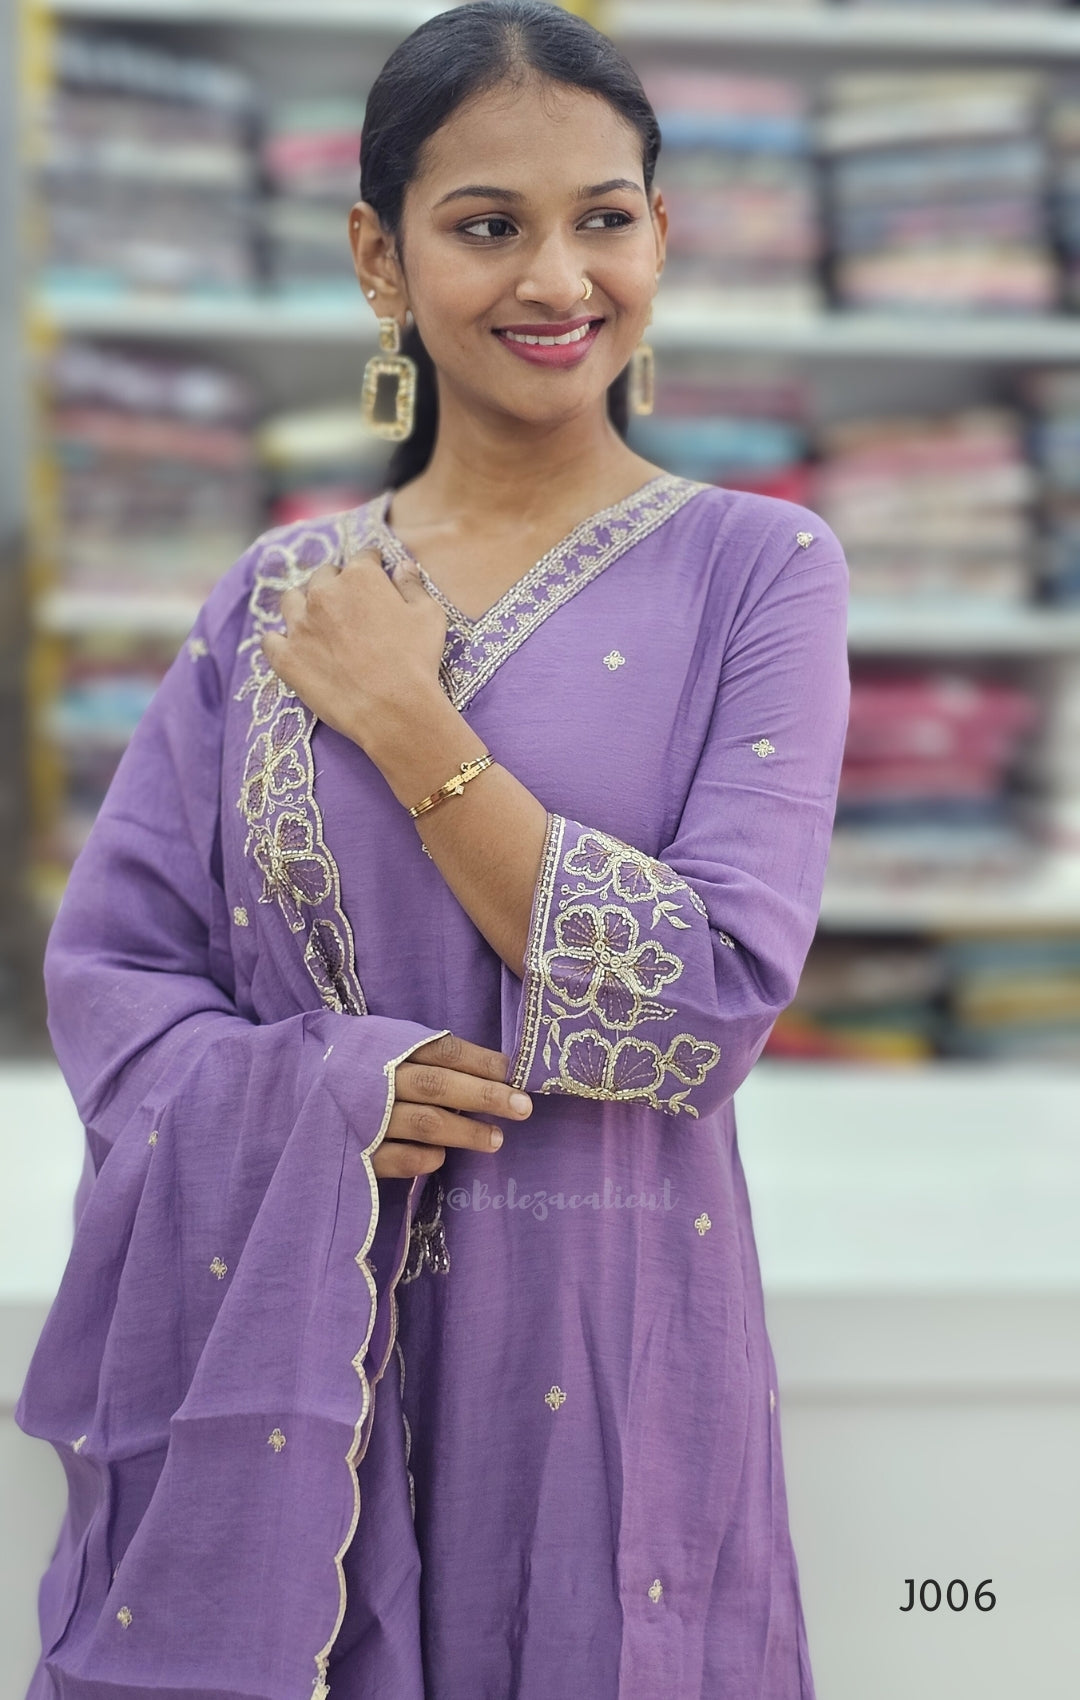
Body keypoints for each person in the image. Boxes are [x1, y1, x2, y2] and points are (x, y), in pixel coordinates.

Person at [15, 3, 850, 1697]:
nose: (558, 279)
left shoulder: (760, 572)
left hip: (599, 1338)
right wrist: (325, 1093)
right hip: (282, 1332)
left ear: (661, 236)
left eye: (603, 218)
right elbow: (117, 980)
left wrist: (413, 725)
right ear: (381, 260)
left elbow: (707, 1000)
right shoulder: (273, 598)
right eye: (489, 227)